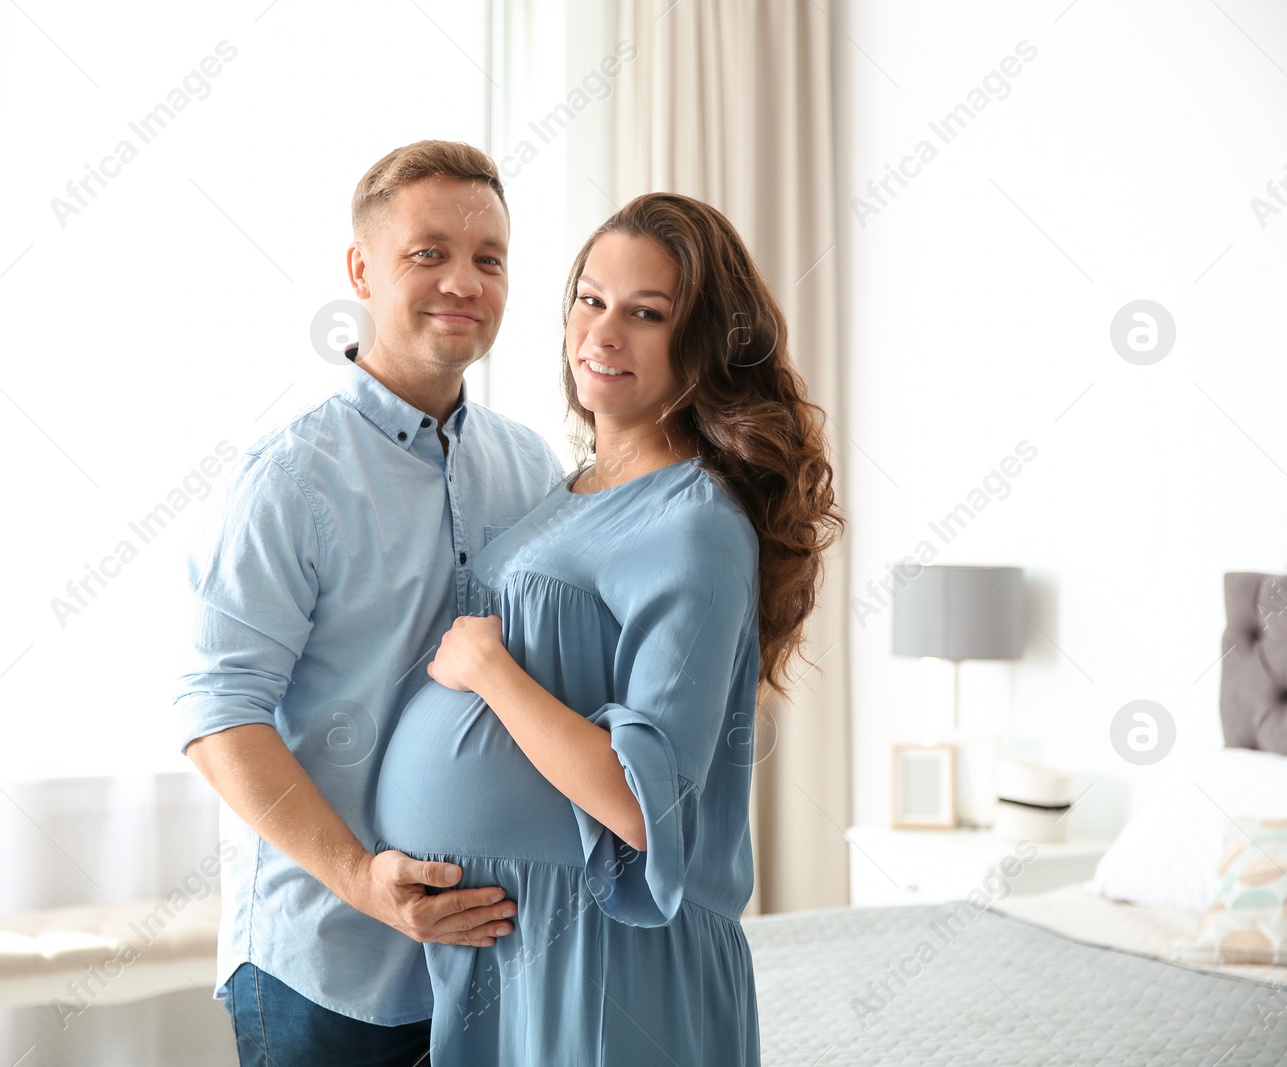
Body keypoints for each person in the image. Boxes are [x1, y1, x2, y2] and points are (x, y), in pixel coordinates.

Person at [375, 192, 843, 1065]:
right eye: (590, 299)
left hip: (602, 951)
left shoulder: (695, 521)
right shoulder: (574, 488)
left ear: (702, 345)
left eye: (646, 314)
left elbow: (643, 803)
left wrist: (490, 673)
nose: (604, 332)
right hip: (517, 939)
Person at [176, 140, 561, 1067]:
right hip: (326, 970)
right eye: (428, 252)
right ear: (360, 269)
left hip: (490, 961)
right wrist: (360, 878)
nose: (463, 281)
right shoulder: (291, 475)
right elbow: (216, 713)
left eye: (489, 259)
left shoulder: (534, 467)